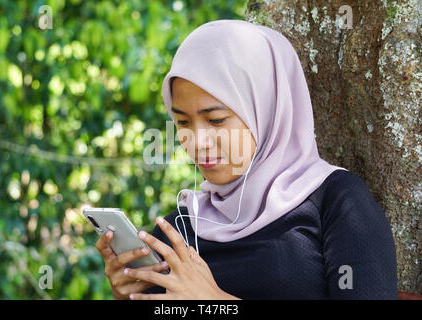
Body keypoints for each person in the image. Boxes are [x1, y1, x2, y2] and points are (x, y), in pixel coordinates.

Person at [95, 19, 398, 300]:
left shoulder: (336, 203)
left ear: (265, 110)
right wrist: (129, 295)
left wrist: (218, 302)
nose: (197, 143)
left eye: (215, 120)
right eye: (183, 123)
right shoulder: (179, 230)